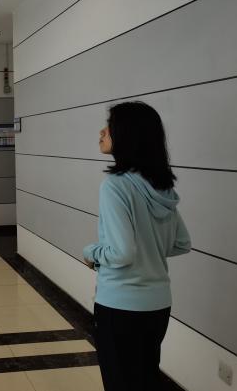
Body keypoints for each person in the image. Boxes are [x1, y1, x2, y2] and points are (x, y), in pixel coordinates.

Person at [82, 101, 191, 391]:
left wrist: (91, 253)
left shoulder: (115, 186)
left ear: (127, 135)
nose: (101, 132)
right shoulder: (161, 186)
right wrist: (149, 248)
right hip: (158, 305)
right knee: (145, 381)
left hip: (120, 306)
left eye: (109, 126)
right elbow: (182, 243)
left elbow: (122, 252)